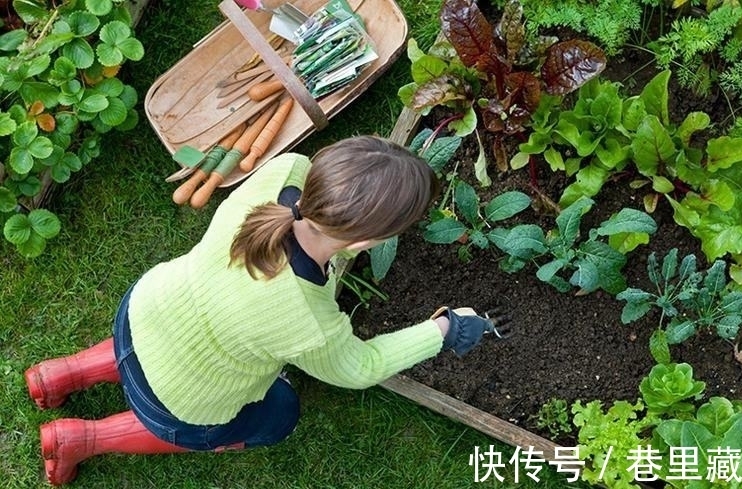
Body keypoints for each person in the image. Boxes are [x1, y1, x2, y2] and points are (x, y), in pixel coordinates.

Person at [25, 135, 495, 486]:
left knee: (163, 341)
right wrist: (443, 330)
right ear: (365, 243)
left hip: (144, 310)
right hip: (176, 402)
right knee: (279, 413)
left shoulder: (284, 172)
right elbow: (361, 367)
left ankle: (61, 374)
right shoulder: (307, 320)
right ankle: (82, 439)